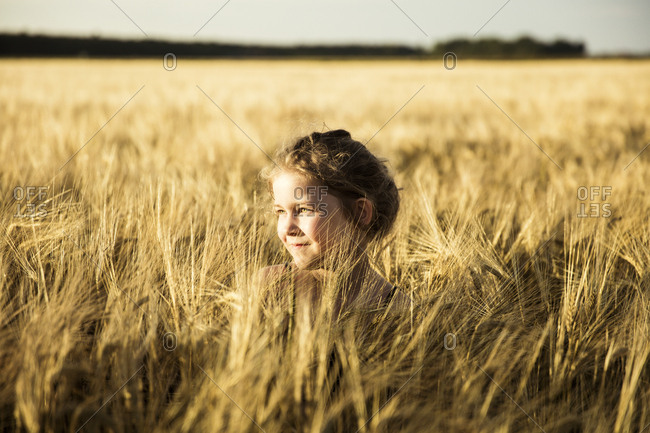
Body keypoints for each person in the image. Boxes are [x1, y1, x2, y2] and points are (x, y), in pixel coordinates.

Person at [257, 129, 409, 322]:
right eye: (280, 212)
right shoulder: (269, 286)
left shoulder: (396, 311)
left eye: (304, 210)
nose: (287, 229)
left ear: (361, 213)